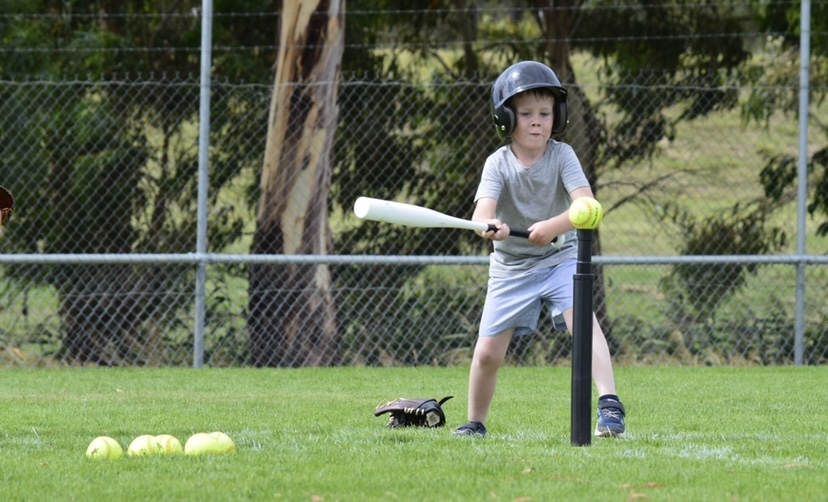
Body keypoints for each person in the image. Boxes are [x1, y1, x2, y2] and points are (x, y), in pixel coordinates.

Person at [452, 61, 626, 438]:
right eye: (526, 114)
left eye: (545, 114)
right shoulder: (497, 164)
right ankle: (475, 423)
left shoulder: (562, 156)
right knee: (487, 355)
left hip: (557, 260)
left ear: (557, 116)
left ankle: (610, 405)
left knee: (583, 324)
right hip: (510, 269)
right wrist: (492, 228)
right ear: (505, 118)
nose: (537, 122)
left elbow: (588, 208)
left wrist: (552, 227)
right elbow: (483, 213)